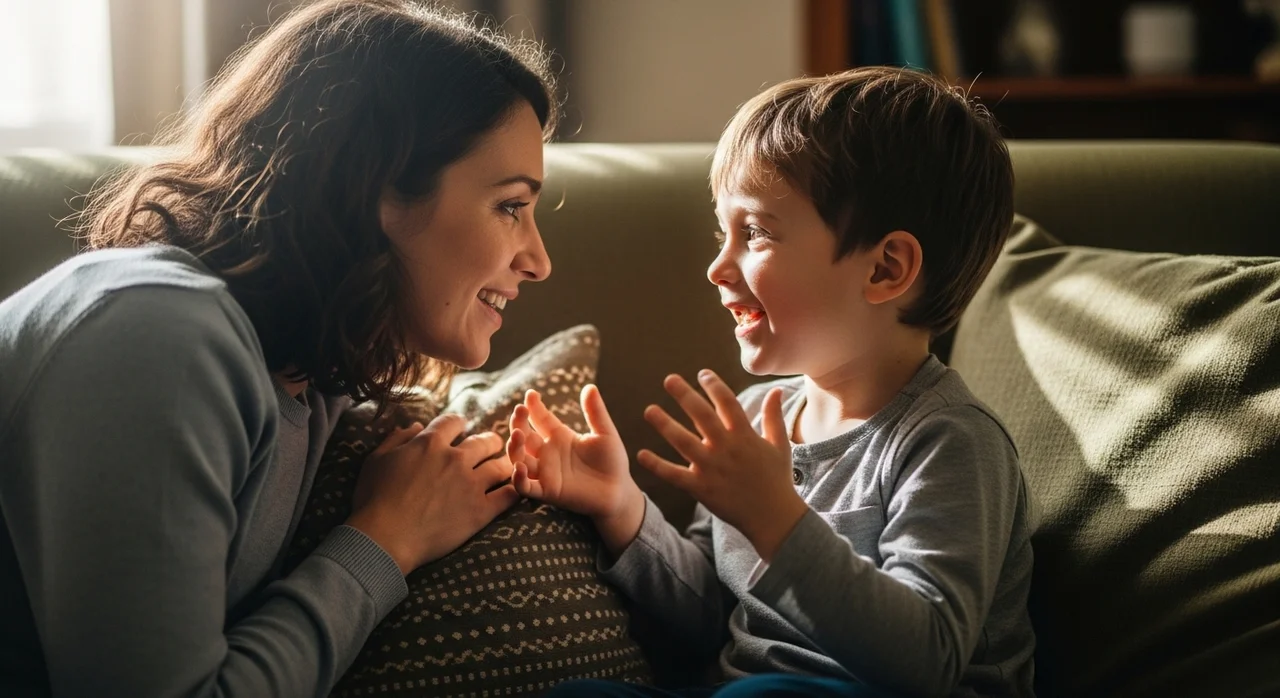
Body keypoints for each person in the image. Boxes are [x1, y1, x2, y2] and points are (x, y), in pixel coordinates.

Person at [0, 1, 557, 695]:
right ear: (378, 190)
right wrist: (387, 539)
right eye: (510, 206)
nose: (538, 260)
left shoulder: (308, 373)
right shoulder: (160, 340)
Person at [505, 66, 1037, 698]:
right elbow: (712, 618)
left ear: (886, 268)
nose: (717, 266)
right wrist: (622, 508)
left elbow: (929, 659)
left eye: (753, 233)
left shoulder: (949, 443)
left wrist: (778, 522)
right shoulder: (755, 419)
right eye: (720, 232)